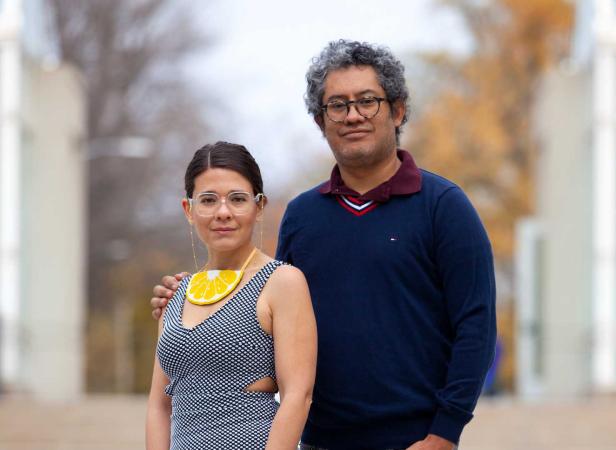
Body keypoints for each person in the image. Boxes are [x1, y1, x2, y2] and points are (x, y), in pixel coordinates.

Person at [151, 40, 496, 450]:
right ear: (320, 120)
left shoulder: (444, 206)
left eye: (368, 101)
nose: (353, 115)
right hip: (318, 440)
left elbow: (476, 325)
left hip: (414, 439)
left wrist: (444, 434)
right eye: (337, 105)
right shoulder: (302, 216)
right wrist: (187, 300)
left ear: (398, 110)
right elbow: (268, 315)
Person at [146, 142, 317, 450]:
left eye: (237, 199)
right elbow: (159, 407)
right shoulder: (177, 293)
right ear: (189, 209)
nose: (223, 212)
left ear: (259, 205)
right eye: (208, 200)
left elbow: (298, 396)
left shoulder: (282, 282)